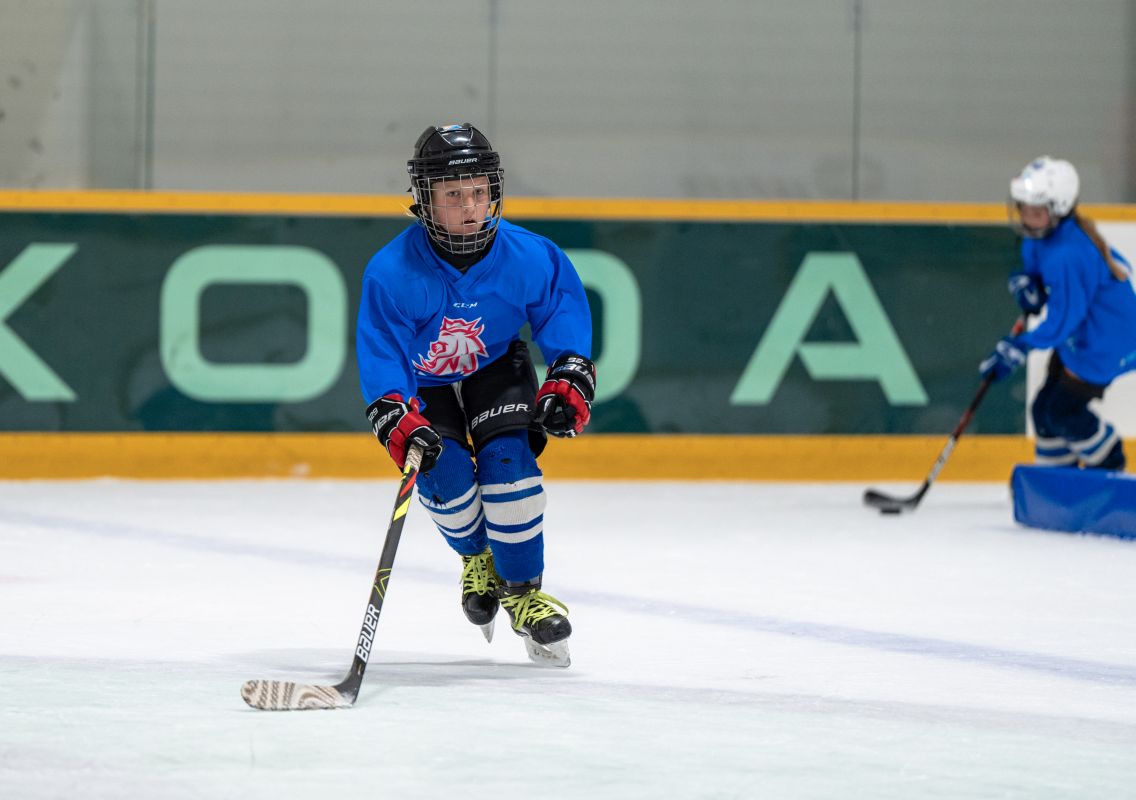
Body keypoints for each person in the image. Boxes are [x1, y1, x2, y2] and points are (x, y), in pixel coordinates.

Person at [355, 123, 595, 666]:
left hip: (495, 365)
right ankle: (477, 557)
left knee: (509, 466)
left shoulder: (530, 255)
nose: (470, 207)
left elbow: (560, 311)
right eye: (453, 195)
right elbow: (383, 351)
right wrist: (394, 411)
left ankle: (524, 594)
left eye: (479, 192)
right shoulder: (391, 272)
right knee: (444, 472)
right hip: (426, 382)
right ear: (425, 201)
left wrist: (569, 371)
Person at [980, 155, 1136, 471]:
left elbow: (1063, 321)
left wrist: (1020, 346)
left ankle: (1110, 462)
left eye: (1036, 212)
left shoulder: (1069, 254)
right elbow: (1037, 272)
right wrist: (1028, 283)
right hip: (1082, 336)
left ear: (1059, 210)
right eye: (1023, 208)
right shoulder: (1040, 237)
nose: (1027, 217)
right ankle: (1056, 481)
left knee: (1063, 412)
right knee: (1043, 412)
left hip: (1107, 343)